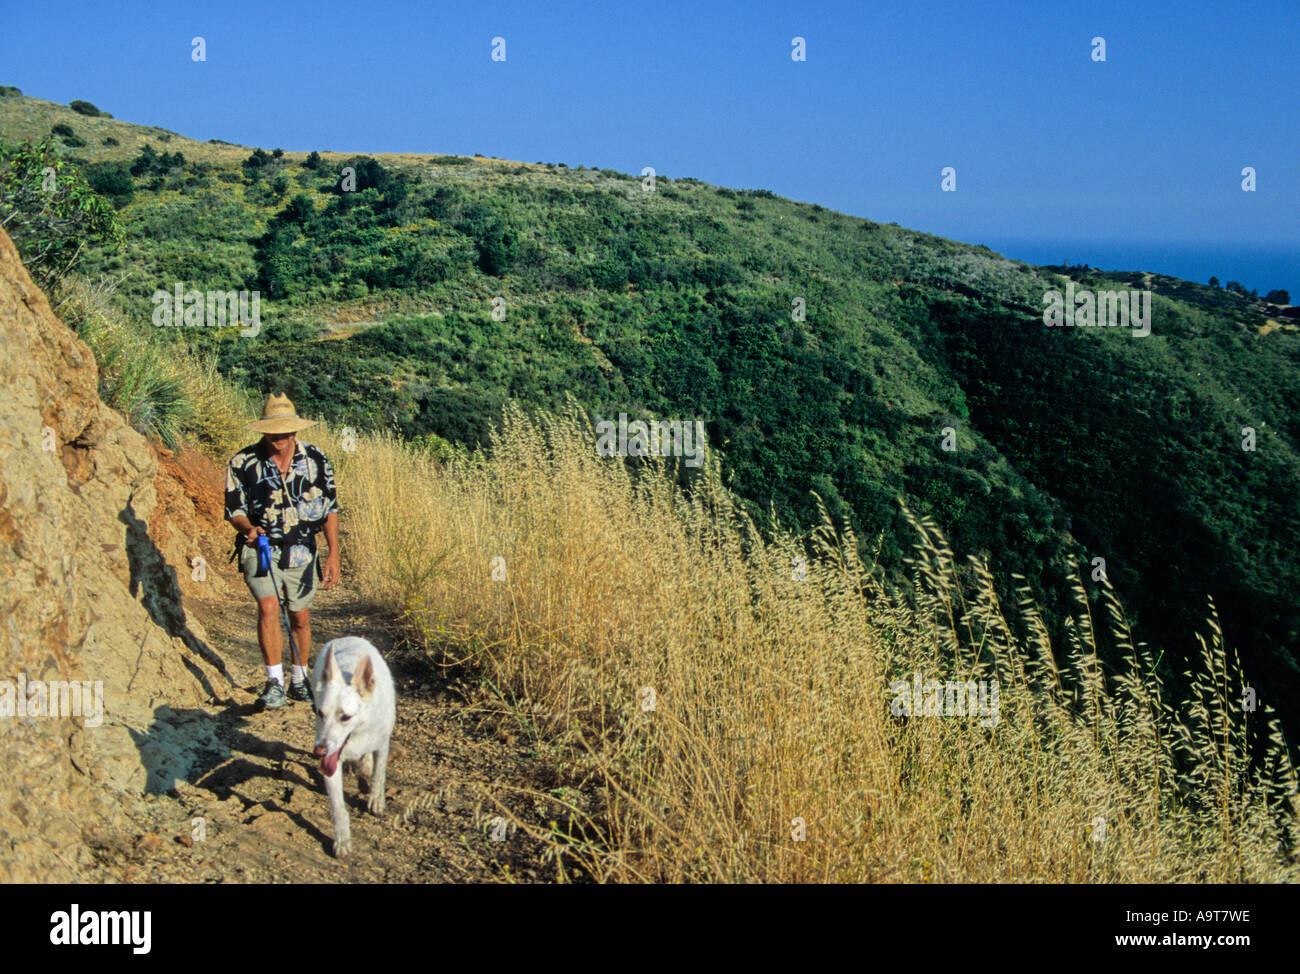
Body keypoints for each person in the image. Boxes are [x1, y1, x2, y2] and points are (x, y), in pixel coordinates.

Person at [224, 393, 340, 709]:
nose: (281, 437)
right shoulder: (242, 462)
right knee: (268, 607)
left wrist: (333, 553)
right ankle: (274, 682)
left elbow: (330, 509)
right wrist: (248, 528)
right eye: (274, 431)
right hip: (261, 549)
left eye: (287, 431)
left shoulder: (317, 460)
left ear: (295, 430)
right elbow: (234, 508)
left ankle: (299, 681)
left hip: (302, 550)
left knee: (300, 617)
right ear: (263, 431)